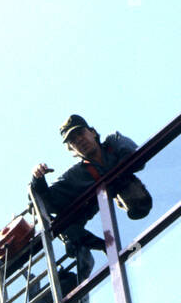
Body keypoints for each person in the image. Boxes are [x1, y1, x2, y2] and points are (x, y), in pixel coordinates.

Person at [31, 113, 153, 282]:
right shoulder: (76, 175)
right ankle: (85, 247)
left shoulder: (113, 142)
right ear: (71, 150)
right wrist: (38, 178)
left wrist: (115, 179)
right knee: (64, 225)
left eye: (80, 133)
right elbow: (46, 203)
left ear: (93, 132)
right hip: (79, 222)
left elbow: (135, 156)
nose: (79, 140)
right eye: (73, 140)